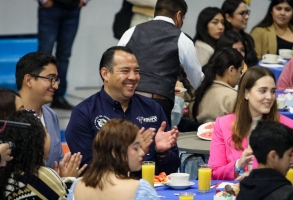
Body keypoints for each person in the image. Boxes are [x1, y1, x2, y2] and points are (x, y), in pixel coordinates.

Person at [65, 46, 180, 176]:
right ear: (105, 74)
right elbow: (89, 169)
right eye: (125, 71)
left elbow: (172, 168)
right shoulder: (84, 113)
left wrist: (162, 152)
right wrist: (131, 154)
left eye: (136, 71)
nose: (133, 77)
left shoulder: (152, 108)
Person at [118, 0, 204, 125]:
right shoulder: (182, 39)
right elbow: (196, 79)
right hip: (158, 103)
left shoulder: (131, 32)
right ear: (178, 15)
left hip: (129, 99)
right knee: (158, 143)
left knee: (128, 142)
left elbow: (115, 63)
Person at [208, 66, 293, 183]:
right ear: (246, 93)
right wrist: (238, 165)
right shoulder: (223, 124)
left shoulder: (289, 126)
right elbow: (214, 172)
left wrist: (256, 177)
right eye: (262, 91)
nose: (269, 97)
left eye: (272, 91)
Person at [0, 110, 84, 200]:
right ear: (38, 141)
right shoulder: (41, 177)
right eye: (46, 132)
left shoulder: (4, 175)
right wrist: (68, 180)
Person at [67, 119, 159, 200]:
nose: (142, 153)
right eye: (136, 148)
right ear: (114, 152)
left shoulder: (76, 186)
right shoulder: (141, 189)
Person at [37, 0, 89, 110]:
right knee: (44, 55)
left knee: (64, 56)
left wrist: (83, 1)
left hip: (73, 8)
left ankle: (58, 96)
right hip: (50, 8)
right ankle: (38, 95)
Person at [15, 52, 64, 168]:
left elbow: (58, 161)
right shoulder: (7, 113)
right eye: (50, 79)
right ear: (28, 80)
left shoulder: (51, 116)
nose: (55, 86)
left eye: (56, 80)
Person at [237, 121, 293, 200]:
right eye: (289, 155)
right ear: (273, 156)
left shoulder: (244, 187)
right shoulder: (291, 195)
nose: (292, 161)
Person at [189, 47, 244, 124]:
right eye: (240, 71)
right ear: (231, 70)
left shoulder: (200, 91)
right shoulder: (232, 97)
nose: (240, 76)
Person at [221, 0, 258, 67]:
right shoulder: (221, 40)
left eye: (247, 13)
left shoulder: (248, 39)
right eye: (242, 13)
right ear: (228, 17)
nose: (247, 17)